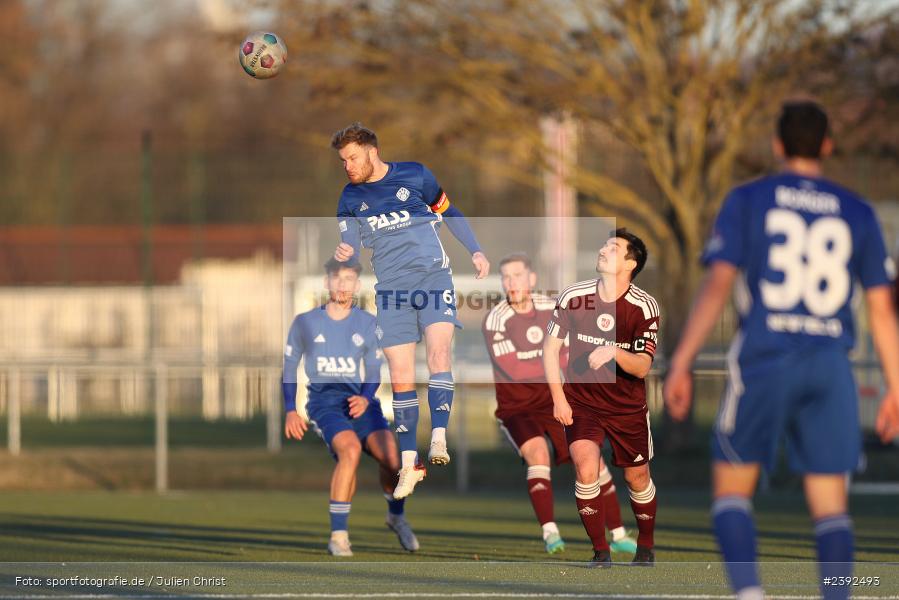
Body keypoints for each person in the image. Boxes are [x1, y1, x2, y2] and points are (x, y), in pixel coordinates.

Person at [664, 101, 899, 600]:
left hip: (767, 361)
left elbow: (717, 285)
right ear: (828, 146)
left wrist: (681, 361)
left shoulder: (750, 199)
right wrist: (896, 388)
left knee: (731, 494)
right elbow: (881, 310)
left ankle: (751, 593)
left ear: (776, 144)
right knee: (831, 507)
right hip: (832, 368)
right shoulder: (857, 211)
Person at [331, 122, 490, 499]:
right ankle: (408, 464)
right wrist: (346, 254)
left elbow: (451, 212)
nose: (348, 166)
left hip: (433, 279)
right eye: (343, 160)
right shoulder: (349, 198)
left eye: (353, 157)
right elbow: (351, 245)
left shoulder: (415, 175)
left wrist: (476, 250)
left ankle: (438, 438)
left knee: (438, 353)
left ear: (371, 151)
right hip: (391, 290)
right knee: (400, 374)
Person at [484, 252, 640, 555]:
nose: (511, 282)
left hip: (558, 400)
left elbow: (571, 352)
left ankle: (619, 534)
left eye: (517, 275)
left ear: (531, 279)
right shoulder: (496, 318)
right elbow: (515, 370)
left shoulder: (553, 308)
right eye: (506, 277)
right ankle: (550, 533)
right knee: (538, 454)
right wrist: (552, 358)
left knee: (592, 461)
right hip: (517, 407)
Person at [282, 258, 419, 557]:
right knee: (350, 451)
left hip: (362, 402)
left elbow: (373, 370)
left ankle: (396, 516)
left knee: (394, 460)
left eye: (348, 279)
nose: (342, 284)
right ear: (327, 282)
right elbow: (290, 367)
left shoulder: (368, 323)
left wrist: (366, 397)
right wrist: (290, 409)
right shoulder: (305, 322)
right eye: (336, 278)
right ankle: (339, 536)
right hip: (324, 403)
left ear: (357, 285)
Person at [543, 229, 660, 568]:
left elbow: (641, 367)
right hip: (582, 403)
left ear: (630, 263)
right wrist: (558, 399)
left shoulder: (644, 306)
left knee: (637, 478)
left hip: (627, 408)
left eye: (613, 248)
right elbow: (550, 350)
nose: (603, 250)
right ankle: (600, 552)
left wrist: (614, 351)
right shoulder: (573, 297)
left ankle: (646, 546)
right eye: (604, 245)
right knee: (585, 466)